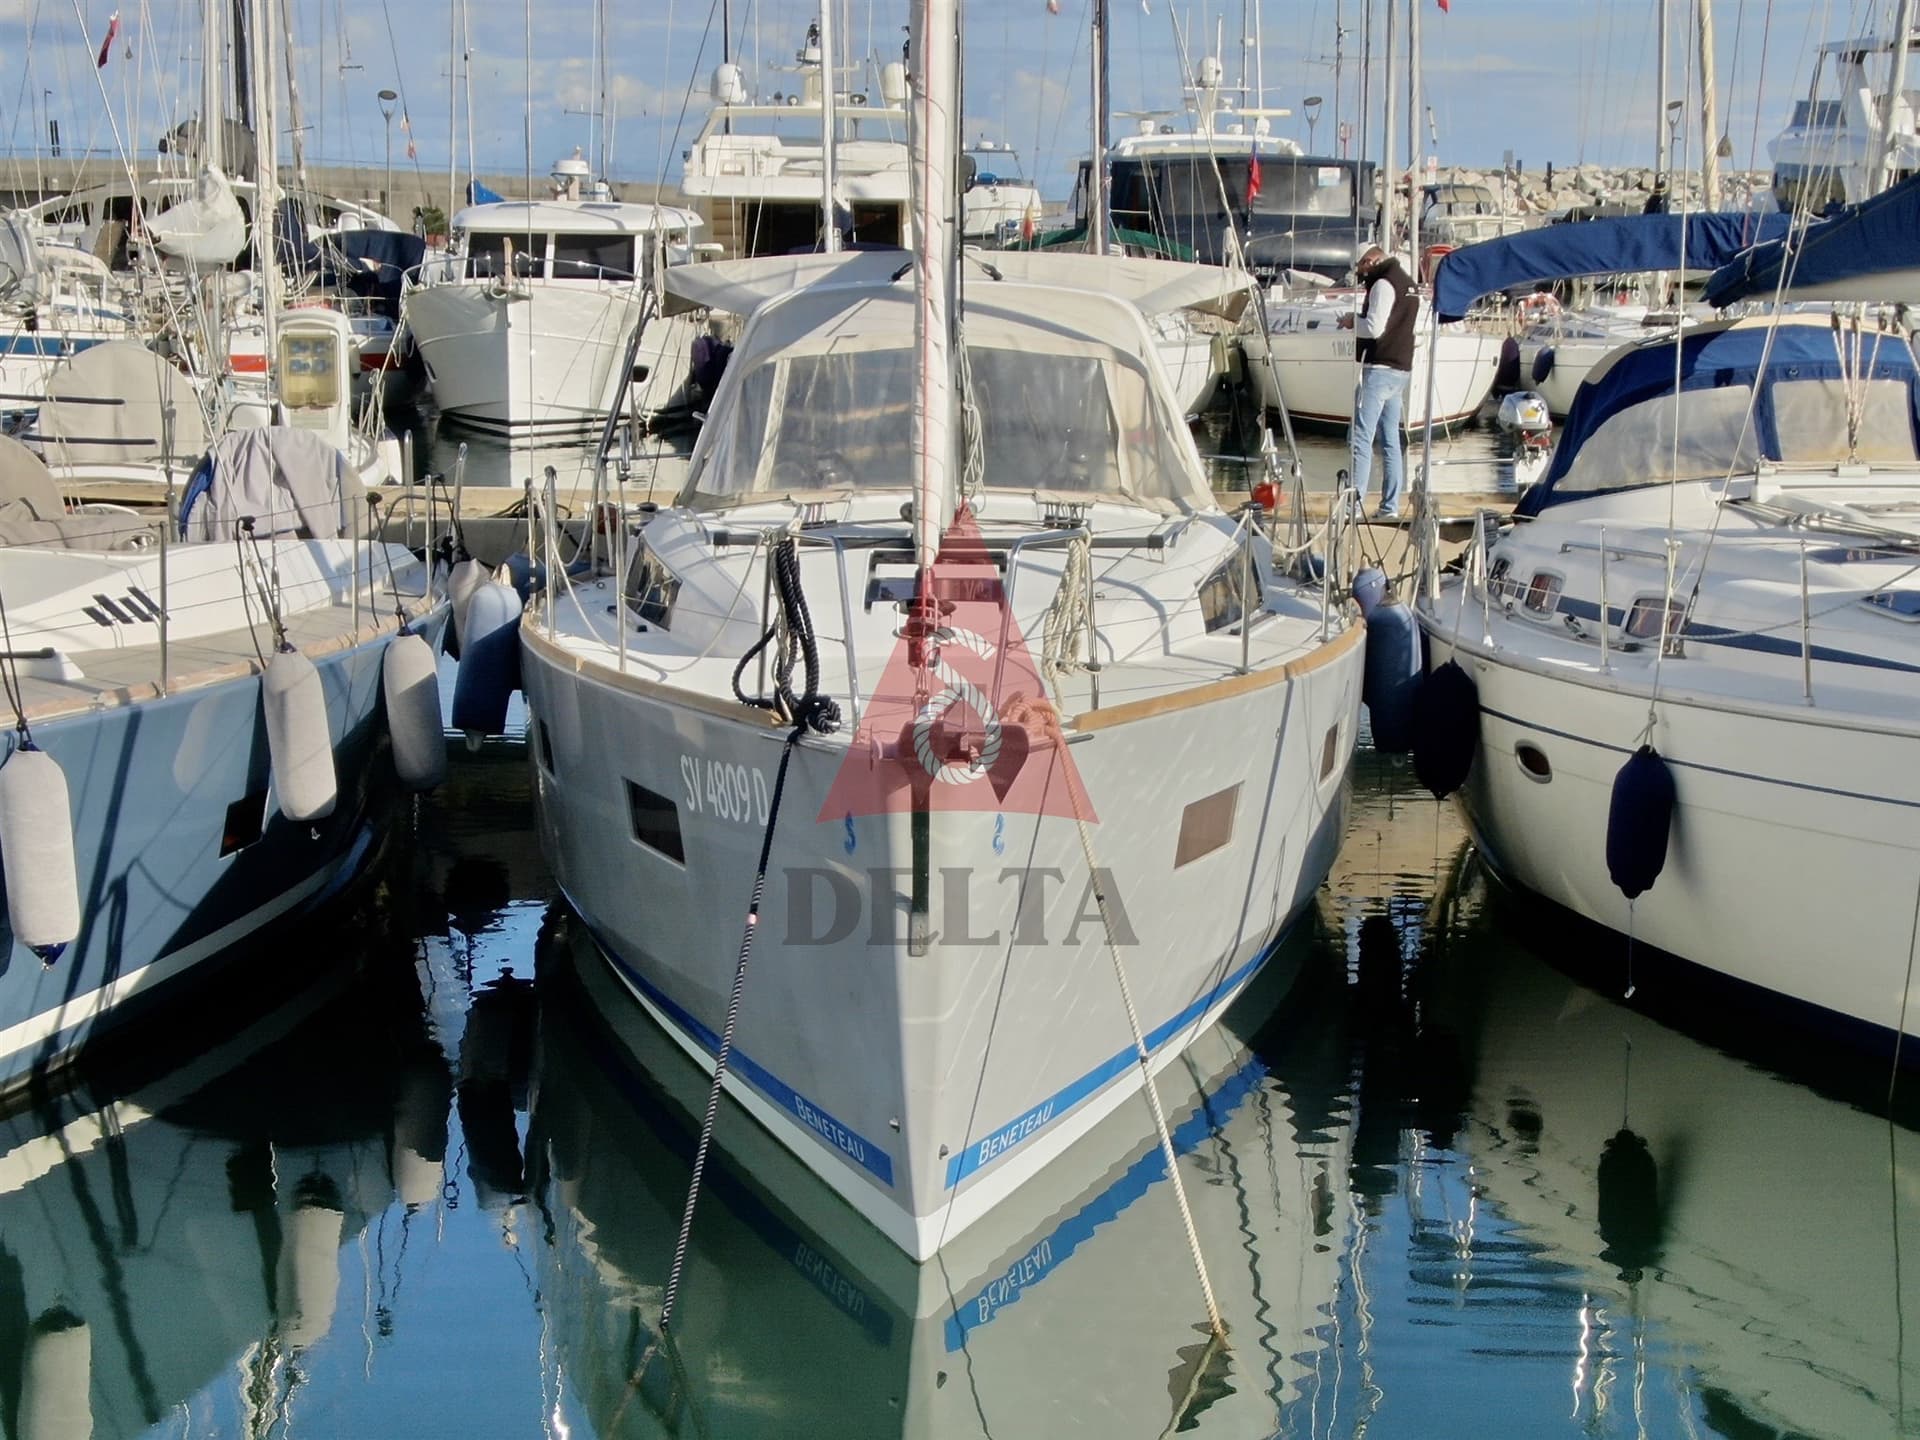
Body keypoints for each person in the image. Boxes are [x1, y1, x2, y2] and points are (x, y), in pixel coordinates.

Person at [1337, 245, 1419, 518]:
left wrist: (1352, 321)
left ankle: (1354, 506)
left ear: (1370, 260)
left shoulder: (1383, 284)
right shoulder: (1407, 283)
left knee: (1360, 437)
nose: (1359, 273)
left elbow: (1374, 328)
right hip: (1401, 371)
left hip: (1380, 369)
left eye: (1360, 266)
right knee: (1391, 441)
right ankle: (1389, 508)